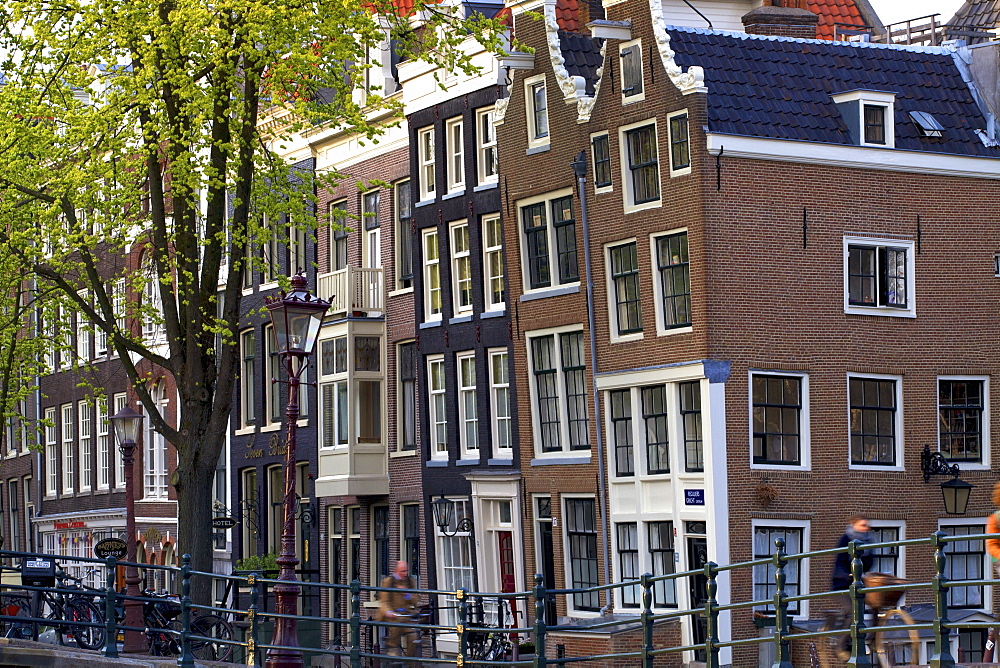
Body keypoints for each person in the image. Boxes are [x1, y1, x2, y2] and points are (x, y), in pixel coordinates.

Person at [828, 515, 875, 658]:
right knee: (854, 610)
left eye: (867, 525)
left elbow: (870, 560)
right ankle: (841, 645)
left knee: (875, 606)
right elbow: (840, 561)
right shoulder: (846, 539)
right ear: (854, 525)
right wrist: (847, 574)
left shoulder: (868, 540)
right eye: (862, 525)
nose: (866, 528)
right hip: (842, 583)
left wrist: (867, 572)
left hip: (859, 582)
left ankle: (871, 640)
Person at [377, 561, 419, 658]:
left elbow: (416, 599)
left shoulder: (409, 581)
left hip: (405, 616)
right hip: (392, 616)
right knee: (398, 621)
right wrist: (389, 612)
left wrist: (407, 594)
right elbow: (384, 601)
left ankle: (411, 662)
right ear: (396, 571)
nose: (405, 574)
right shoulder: (388, 582)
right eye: (403, 571)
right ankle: (392, 646)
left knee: (413, 637)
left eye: (406, 571)